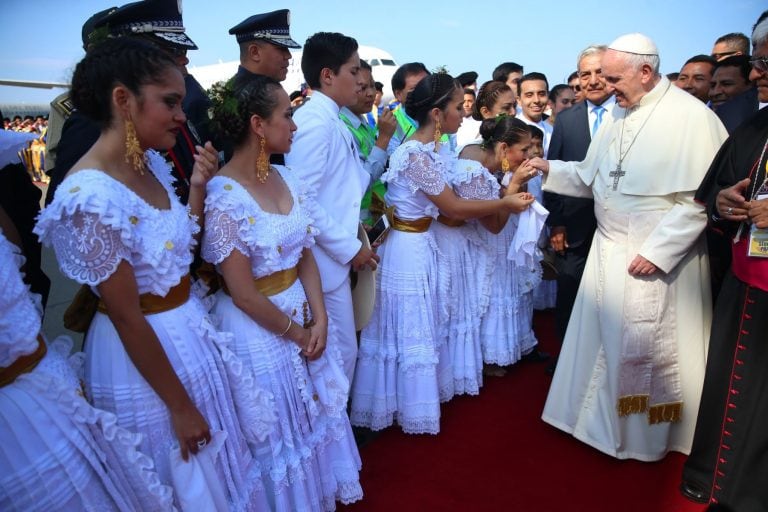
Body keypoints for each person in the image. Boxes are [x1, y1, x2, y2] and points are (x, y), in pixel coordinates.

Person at [35, 38, 272, 509]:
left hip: (190, 334)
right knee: (179, 476)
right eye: (170, 102)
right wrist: (180, 408)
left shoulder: (154, 167)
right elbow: (125, 315)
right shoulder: (90, 196)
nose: (182, 116)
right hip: (144, 363)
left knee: (221, 472)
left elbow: (179, 248)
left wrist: (199, 189)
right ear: (123, 100)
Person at [531, 33, 729, 461]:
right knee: (602, 338)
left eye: (614, 78)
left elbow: (698, 202)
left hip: (654, 255)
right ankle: (590, 421)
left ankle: (646, 436)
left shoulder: (691, 118)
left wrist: (658, 252)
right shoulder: (621, 113)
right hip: (607, 248)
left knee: (651, 347)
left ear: (645, 71)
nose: (606, 86)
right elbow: (589, 175)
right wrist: (550, 168)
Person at [204, 74, 363, 511]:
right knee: (276, 430)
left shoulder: (287, 178)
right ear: (258, 124)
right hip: (258, 332)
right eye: (287, 115)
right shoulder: (223, 196)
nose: (294, 125)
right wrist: (298, 333)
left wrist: (321, 316)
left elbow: (304, 251)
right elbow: (242, 293)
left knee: (313, 416)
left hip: (302, 315)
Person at [350, 73, 534, 434]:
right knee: (409, 326)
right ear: (436, 114)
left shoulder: (434, 150)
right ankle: (403, 406)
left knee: (423, 324)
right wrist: (503, 201)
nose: (464, 113)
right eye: (456, 106)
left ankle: (413, 399)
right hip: (408, 248)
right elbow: (452, 208)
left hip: (421, 243)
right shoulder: (414, 154)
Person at [0, 215, 175, 511]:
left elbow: (21, 263)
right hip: (18, 424)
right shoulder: (90, 201)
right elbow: (125, 313)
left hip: (50, 390)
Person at [681, 18, 768, 509]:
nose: (757, 73)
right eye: (756, 59)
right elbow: (715, 188)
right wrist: (723, 202)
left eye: (765, 61)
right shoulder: (756, 123)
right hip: (748, 281)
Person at [284, 32, 378, 387]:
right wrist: (349, 248)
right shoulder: (314, 122)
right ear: (327, 75)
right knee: (335, 355)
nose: (360, 80)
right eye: (353, 71)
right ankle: (335, 436)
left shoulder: (331, 118)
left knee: (342, 353)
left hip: (334, 257)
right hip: (322, 260)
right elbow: (301, 199)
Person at [544, 44, 615, 373]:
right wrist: (556, 224)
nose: (593, 80)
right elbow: (555, 172)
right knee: (570, 293)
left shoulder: (630, 114)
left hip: (619, 227)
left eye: (600, 71)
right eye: (585, 73)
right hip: (574, 229)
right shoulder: (567, 119)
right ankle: (566, 365)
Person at [339, 60, 397, 224]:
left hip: (372, 219)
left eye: (372, 86)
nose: (371, 93)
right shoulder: (342, 126)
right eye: (363, 88)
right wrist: (384, 138)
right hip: (356, 223)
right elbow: (362, 180)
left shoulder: (361, 121)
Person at [228, 9, 301, 89]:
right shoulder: (265, 97)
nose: (288, 55)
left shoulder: (234, 91)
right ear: (255, 52)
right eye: (281, 48)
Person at [387, 62, 430, 155]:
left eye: (426, 87)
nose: (423, 92)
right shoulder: (390, 125)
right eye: (415, 89)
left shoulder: (442, 115)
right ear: (398, 94)